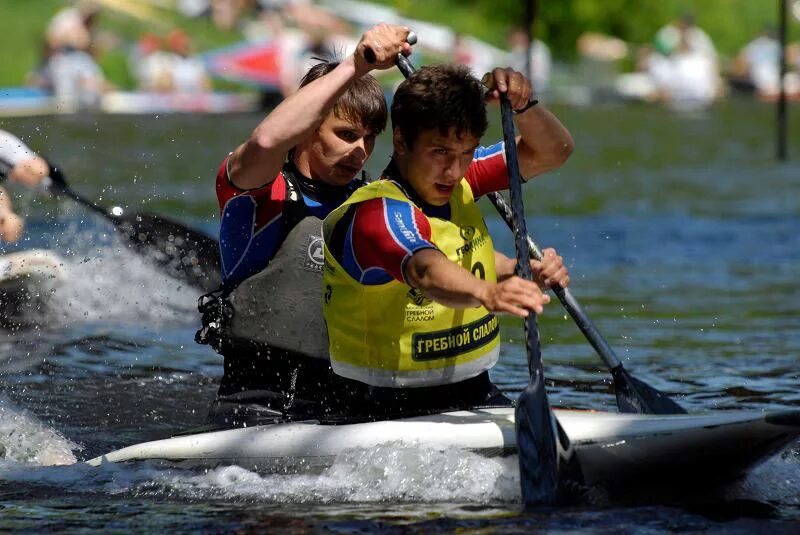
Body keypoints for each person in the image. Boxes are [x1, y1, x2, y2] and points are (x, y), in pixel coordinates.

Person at [321, 64, 573, 416]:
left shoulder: (464, 176)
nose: (454, 172)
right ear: (401, 141)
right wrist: (488, 294)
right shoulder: (375, 212)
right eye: (440, 153)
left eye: (466, 152)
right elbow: (425, 268)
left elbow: (554, 151)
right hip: (380, 408)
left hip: (475, 393)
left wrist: (523, 105)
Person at [197, 23, 412, 425]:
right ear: (308, 128)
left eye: (369, 138)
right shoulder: (260, 193)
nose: (360, 150)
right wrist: (356, 65)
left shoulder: (377, 202)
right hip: (256, 409)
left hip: (352, 411)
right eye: (346, 134)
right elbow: (265, 141)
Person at [0, 130, 62, 243]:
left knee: (9, 222)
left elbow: (39, 169)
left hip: (51, 183)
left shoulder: (3, 142)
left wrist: (5, 217)